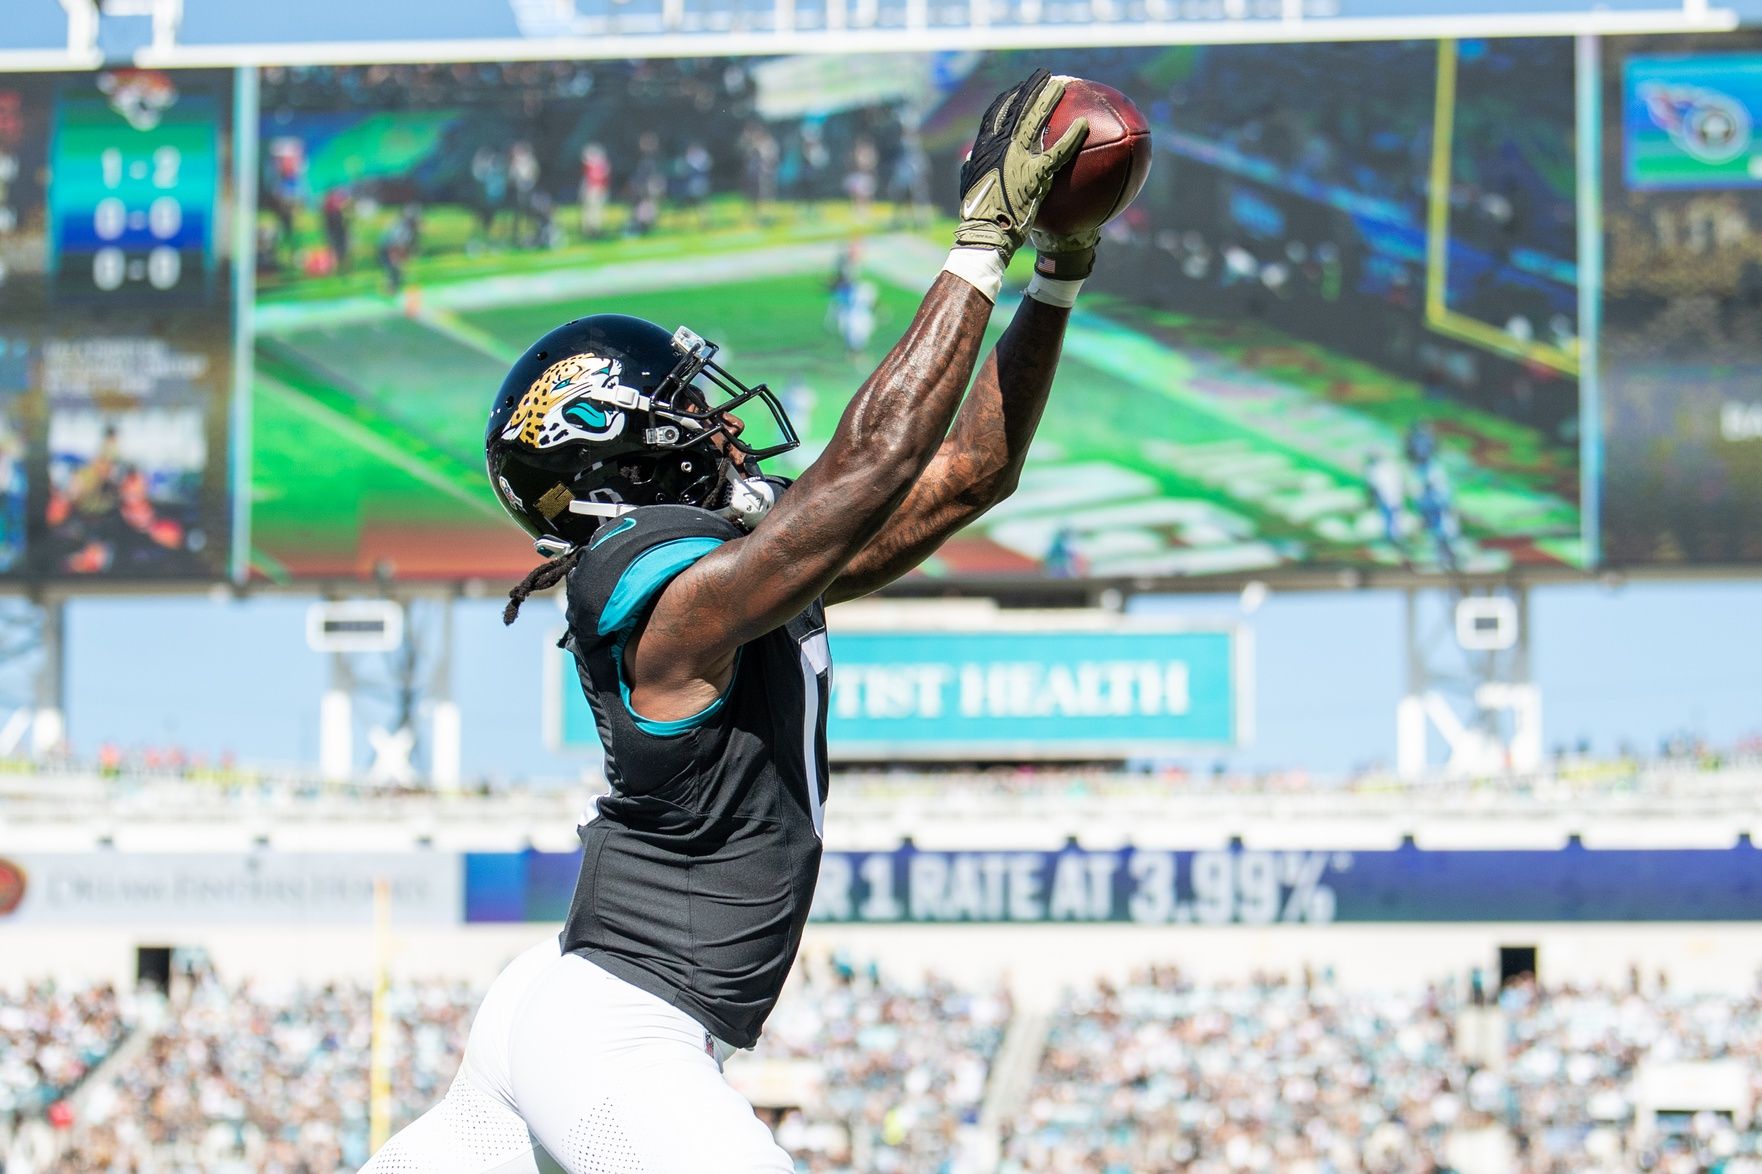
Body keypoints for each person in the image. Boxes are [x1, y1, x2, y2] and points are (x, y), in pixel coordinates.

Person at [357, 69, 1094, 1174]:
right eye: (682, 408)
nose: (714, 420)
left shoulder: (723, 581)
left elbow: (965, 475)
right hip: (614, 1029)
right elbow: (873, 461)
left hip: (575, 1005)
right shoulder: (661, 601)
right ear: (615, 446)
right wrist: (979, 243)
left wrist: (1059, 274)